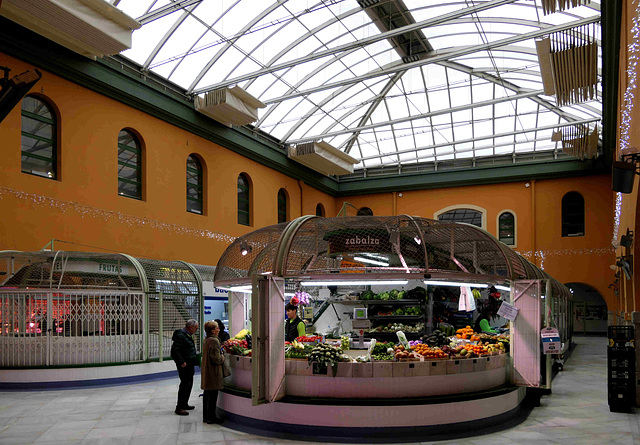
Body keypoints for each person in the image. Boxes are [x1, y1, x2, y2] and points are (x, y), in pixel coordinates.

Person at [171, 319, 200, 415]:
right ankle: (179, 407)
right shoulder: (181, 336)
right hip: (184, 365)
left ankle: (184, 403)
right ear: (191, 327)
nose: (196, 330)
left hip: (190, 363)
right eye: (195, 328)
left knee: (189, 384)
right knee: (184, 385)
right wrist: (181, 362)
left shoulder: (187, 335)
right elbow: (175, 351)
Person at [201, 320, 225, 424]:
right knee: (213, 395)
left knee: (207, 395)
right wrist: (222, 357)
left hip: (207, 371)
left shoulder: (206, 339)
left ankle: (206, 416)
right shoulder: (215, 341)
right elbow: (216, 358)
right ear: (213, 330)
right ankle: (212, 417)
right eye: (217, 328)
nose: (218, 330)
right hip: (213, 372)